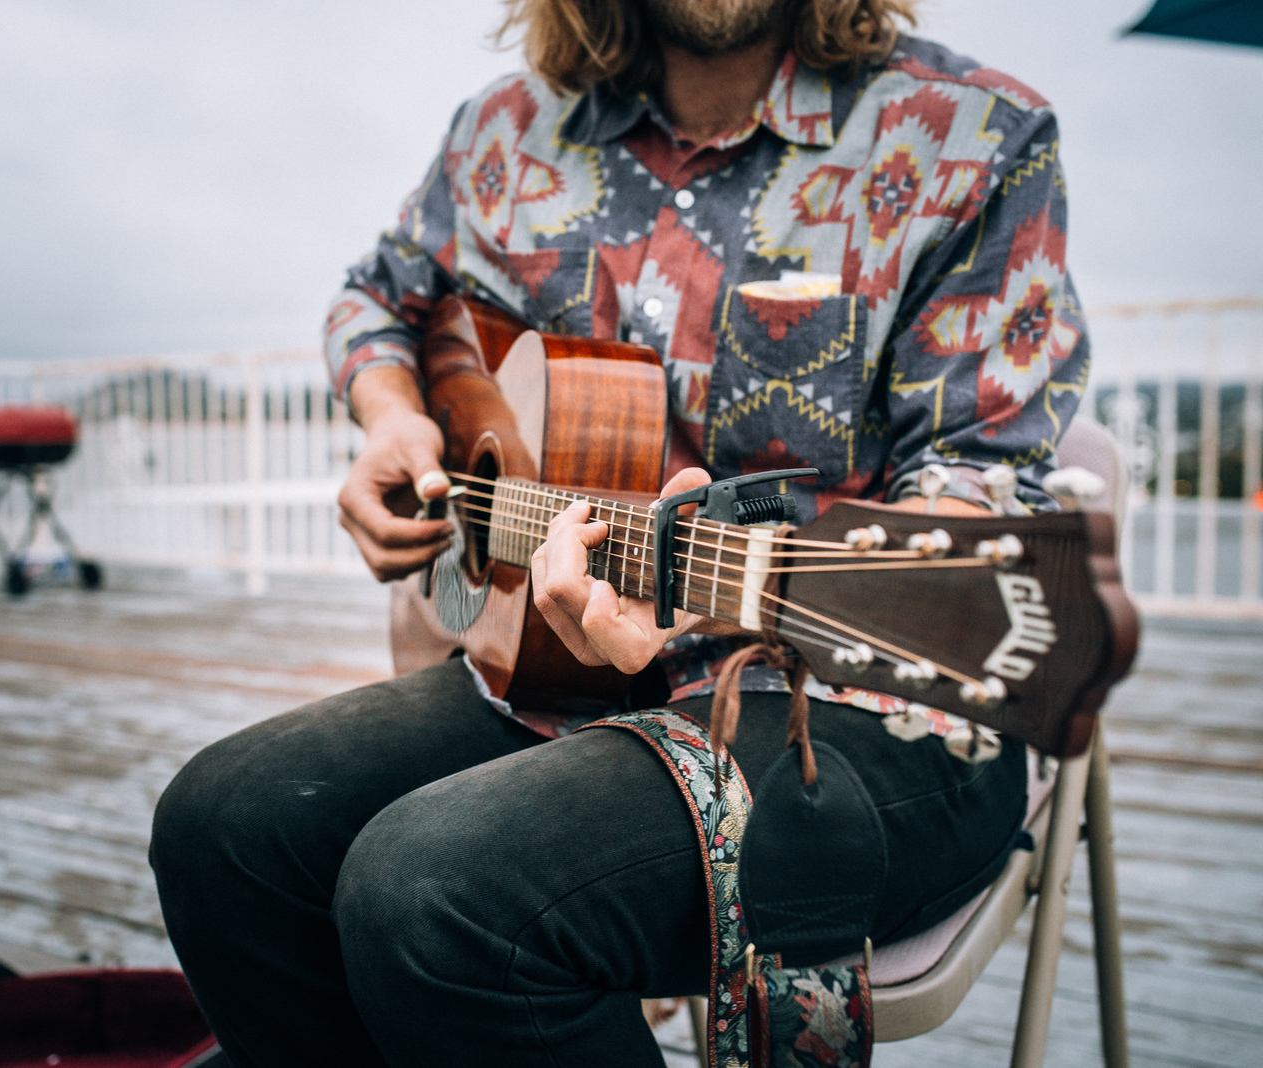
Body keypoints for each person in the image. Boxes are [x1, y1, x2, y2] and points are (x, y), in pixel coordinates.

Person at [150, 1, 1087, 1065]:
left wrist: (721, 596)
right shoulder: (505, 132)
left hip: (860, 705)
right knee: (225, 826)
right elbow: (377, 300)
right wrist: (394, 418)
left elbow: (986, 475)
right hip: (569, 672)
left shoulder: (972, 135)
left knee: (437, 891)